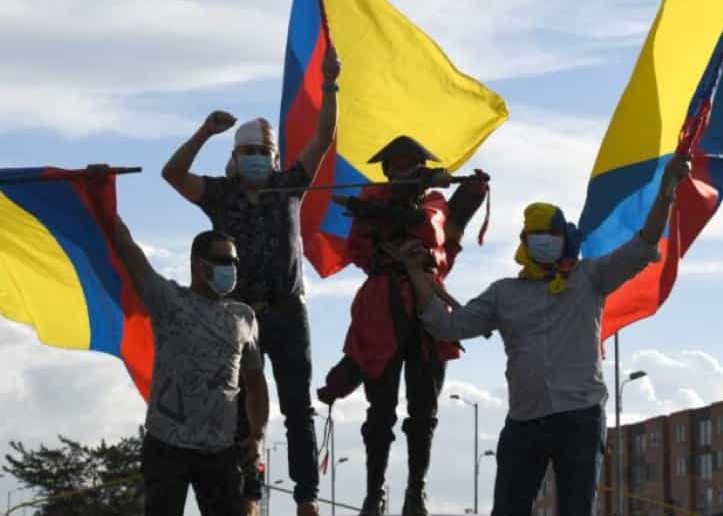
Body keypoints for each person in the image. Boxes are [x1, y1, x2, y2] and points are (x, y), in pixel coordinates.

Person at [386, 154, 692, 516]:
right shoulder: (504, 294)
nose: (543, 242)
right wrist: (416, 272)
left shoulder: (589, 279)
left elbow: (642, 247)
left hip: (579, 419)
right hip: (524, 424)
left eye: (550, 234)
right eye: (535, 236)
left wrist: (668, 190)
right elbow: (448, 326)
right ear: (524, 242)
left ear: (564, 238)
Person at [161, 47, 340, 516]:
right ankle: (250, 495)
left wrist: (329, 85)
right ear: (234, 158)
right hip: (238, 317)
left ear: (275, 157)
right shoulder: (220, 194)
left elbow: (323, 136)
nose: (257, 160)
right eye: (248, 153)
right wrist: (204, 131)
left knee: (297, 408)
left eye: (264, 153)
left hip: (286, 310)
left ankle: (306, 497)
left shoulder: (289, 186)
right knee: (238, 409)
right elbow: (172, 174)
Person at [316, 135, 488, 516]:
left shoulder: (434, 203)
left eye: (413, 164)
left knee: (423, 410)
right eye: (398, 164)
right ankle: (373, 493)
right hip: (381, 307)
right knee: (380, 410)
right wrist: (375, 213)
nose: (405, 169)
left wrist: (377, 215)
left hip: (427, 305)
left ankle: (416, 491)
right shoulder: (371, 200)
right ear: (387, 170)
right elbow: (359, 250)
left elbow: (431, 231)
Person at [107, 216, 269, 516]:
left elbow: (256, 383)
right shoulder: (169, 300)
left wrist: (257, 435)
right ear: (198, 264)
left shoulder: (244, 317)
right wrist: (101, 195)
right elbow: (128, 250)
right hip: (167, 445)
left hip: (220, 451)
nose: (230, 268)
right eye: (221, 260)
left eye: (233, 261)